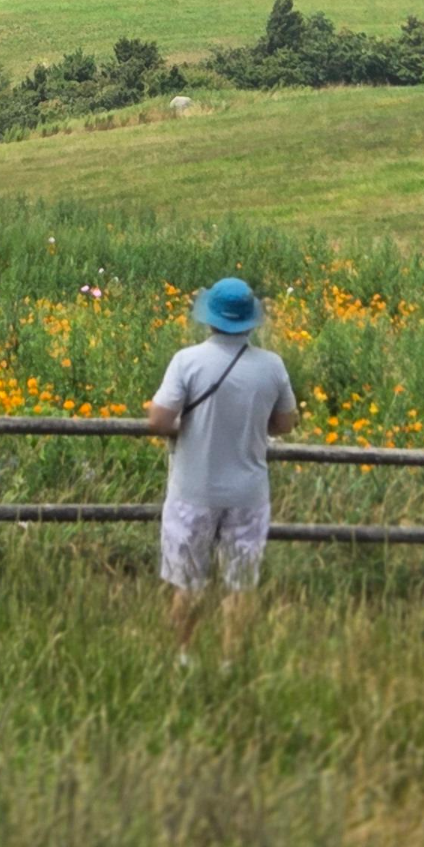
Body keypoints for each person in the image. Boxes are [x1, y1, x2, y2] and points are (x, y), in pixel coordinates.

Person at [146, 276, 297, 650]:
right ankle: (231, 659)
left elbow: (160, 420)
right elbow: (285, 422)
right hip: (248, 492)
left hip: (193, 489)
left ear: (210, 318)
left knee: (187, 583)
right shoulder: (272, 366)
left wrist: (185, 426)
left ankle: (184, 656)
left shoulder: (187, 362)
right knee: (241, 584)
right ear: (249, 321)